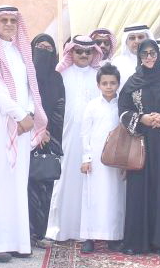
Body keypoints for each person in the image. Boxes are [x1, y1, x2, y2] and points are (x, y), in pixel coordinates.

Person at [0, 6, 48, 262]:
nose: (9, 24)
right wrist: (19, 115)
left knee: (17, 185)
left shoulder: (20, 52)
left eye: (12, 20)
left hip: (21, 126)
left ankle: (17, 242)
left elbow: (29, 87)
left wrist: (27, 113)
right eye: (3, 20)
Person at [118, 39, 160, 254]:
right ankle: (138, 241)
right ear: (139, 56)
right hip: (141, 141)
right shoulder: (132, 81)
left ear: (158, 54)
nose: (149, 57)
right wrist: (142, 119)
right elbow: (123, 110)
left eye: (152, 53)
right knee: (139, 188)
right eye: (144, 53)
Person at [48, 35, 102, 242]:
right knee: (64, 180)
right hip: (66, 135)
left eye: (88, 52)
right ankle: (60, 228)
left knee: (91, 181)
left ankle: (89, 230)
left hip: (93, 137)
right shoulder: (61, 74)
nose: (84, 55)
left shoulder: (98, 75)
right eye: (79, 51)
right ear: (71, 52)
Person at [79, 64, 125, 253]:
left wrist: (124, 160)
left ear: (118, 84)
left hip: (115, 158)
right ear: (98, 85)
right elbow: (85, 133)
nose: (108, 87)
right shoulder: (92, 106)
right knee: (93, 197)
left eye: (112, 83)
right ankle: (90, 237)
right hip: (95, 160)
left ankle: (113, 237)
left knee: (114, 197)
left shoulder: (122, 106)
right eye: (104, 83)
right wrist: (86, 158)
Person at [29, 33, 65, 247]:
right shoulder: (26, 74)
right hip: (25, 136)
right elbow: (24, 103)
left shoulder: (56, 78)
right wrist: (36, 130)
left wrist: (48, 131)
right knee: (25, 189)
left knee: (44, 188)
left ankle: (38, 235)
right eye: (39, 47)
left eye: (48, 48)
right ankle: (23, 235)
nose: (43, 52)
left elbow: (59, 106)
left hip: (48, 140)